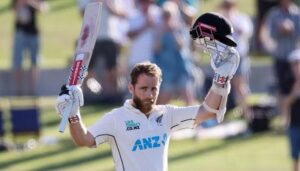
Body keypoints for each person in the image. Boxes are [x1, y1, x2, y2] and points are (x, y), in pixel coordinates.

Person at [55, 12, 240, 171]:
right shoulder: (116, 119)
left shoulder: (166, 115)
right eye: (143, 89)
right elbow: (84, 140)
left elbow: (208, 111)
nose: (150, 94)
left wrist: (221, 79)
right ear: (131, 88)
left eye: (154, 89)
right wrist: (74, 116)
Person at [263, 0, 300, 127]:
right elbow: (270, 34)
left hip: (295, 58)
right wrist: (280, 30)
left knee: (295, 86)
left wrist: (291, 30)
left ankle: (294, 117)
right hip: (280, 57)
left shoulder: (296, 13)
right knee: (282, 88)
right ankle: (285, 119)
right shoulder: (274, 14)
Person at [218, 0, 254, 121]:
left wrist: (231, 22)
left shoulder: (241, 18)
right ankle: (226, 113)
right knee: (223, 85)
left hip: (238, 56)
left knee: (240, 85)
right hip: (224, 57)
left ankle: (247, 113)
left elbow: (245, 32)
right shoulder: (219, 20)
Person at [11, 0, 49, 96]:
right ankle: (18, 91)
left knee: (35, 61)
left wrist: (30, 2)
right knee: (17, 61)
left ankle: (33, 91)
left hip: (33, 32)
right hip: (20, 32)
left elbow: (44, 9)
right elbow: (14, 9)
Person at [284, 49, 300, 171]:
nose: (296, 67)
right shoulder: (289, 81)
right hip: (294, 124)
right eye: (294, 64)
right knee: (295, 156)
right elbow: (285, 103)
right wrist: (294, 93)